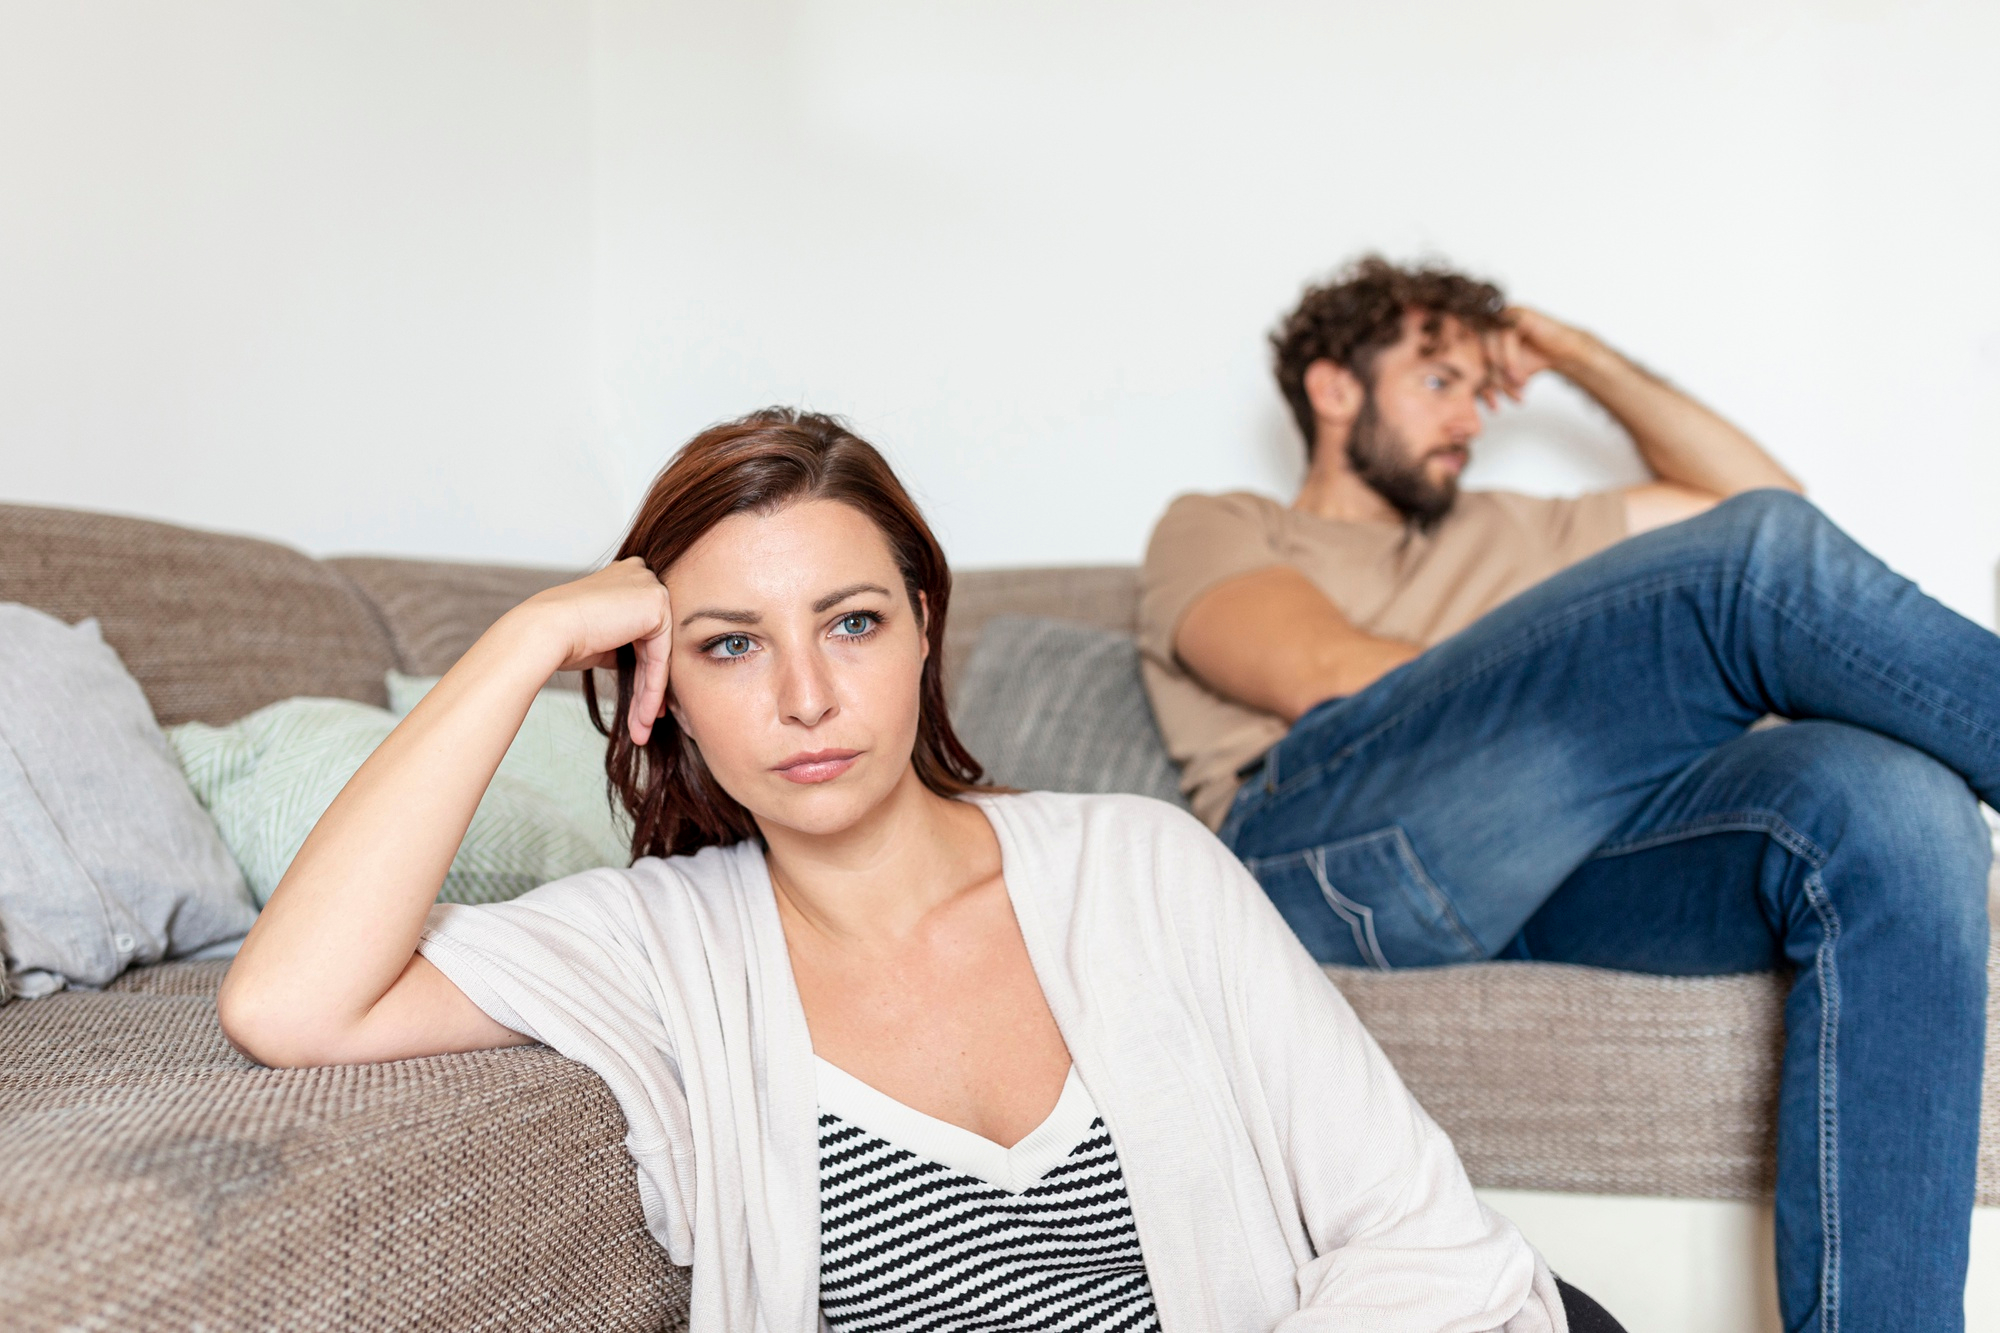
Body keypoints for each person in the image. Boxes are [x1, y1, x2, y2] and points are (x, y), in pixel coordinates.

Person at [217, 408, 1625, 1332]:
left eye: (850, 622)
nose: (806, 697)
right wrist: (522, 640)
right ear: (663, 687)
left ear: (923, 629)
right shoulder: (657, 950)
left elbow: (1418, 1233)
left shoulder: (1140, 866)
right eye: (729, 645)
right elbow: (293, 1003)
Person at [1137, 256, 1996, 1333]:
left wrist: (1576, 356)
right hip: (1313, 855)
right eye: (1435, 380)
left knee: (1897, 805)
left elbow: (1769, 498)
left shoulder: (1516, 527)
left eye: (1477, 388)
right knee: (1739, 569)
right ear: (1332, 387)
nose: (1469, 420)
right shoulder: (1216, 523)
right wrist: (1595, 666)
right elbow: (1322, 671)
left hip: (1540, 867)